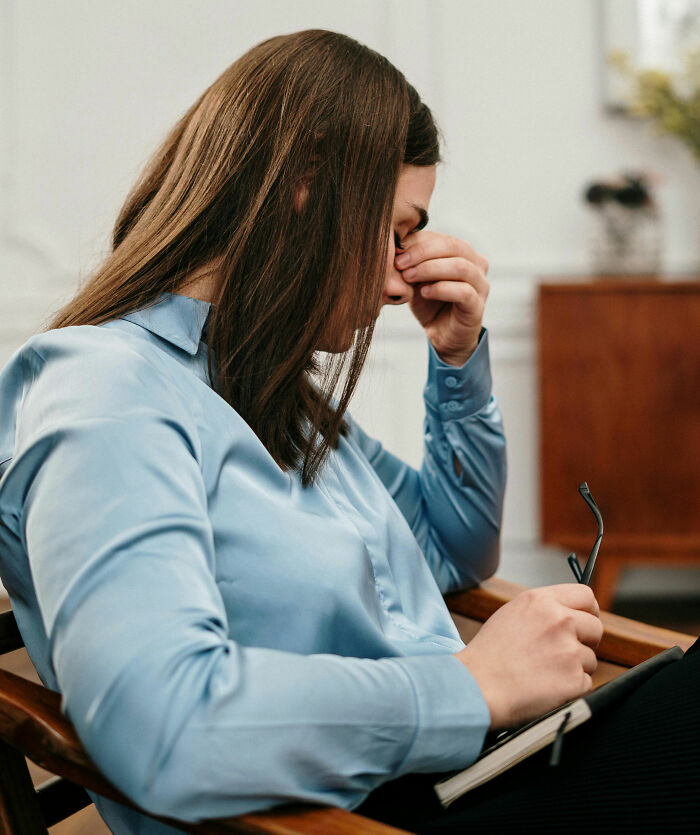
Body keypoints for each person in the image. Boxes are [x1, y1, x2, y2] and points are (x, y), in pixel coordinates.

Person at [0, 29, 697, 835]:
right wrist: (472, 686)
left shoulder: (267, 389)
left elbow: (452, 546)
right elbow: (160, 724)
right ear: (307, 185)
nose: (406, 275)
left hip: (464, 772)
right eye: (398, 231)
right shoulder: (107, 391)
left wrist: (460, 360)